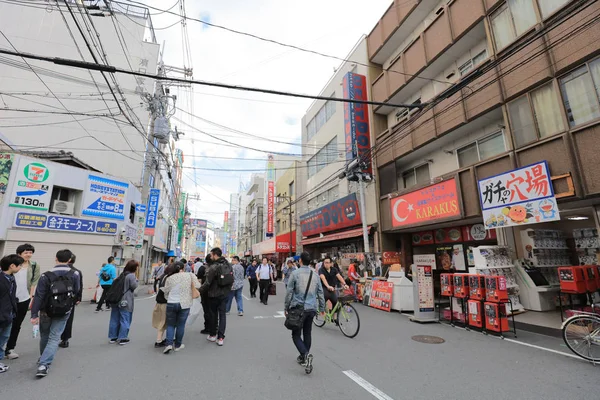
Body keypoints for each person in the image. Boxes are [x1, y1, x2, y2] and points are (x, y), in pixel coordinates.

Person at [30, 249, 80, 378]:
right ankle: (44, 364)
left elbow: (39, 296)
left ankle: (43, 358)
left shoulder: (45, 275)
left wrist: (34, 314)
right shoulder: (75, 274)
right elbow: (76, 290)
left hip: (46, 310)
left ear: (55, 258)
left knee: (45, 335)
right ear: (69, 260)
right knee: (54, 337)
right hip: (64, 310)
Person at [284, 251, 325, 374]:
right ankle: (304, 358)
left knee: (296, 334)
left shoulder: (295, 274)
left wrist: (286, 307)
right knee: (307, 333)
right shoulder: (315, 275)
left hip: (298, 308)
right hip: (311, 308)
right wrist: (322, 308)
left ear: (300, 261)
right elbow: (320, 293)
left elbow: (289, 292)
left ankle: (305, 355)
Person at [4, 243, 40, 360]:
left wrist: (31, 297)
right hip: (8, 300)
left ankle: (9, 349)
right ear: (19, 253)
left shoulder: (34, 266)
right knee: (3, 323)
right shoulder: (12, 264)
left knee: (16, 325)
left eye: (30, 252)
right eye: (26, 252)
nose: (29, 255)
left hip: (24, 299)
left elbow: (34, 281)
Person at [161, 262, 201, 354]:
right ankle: (178, 345)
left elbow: (166, 290)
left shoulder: (170, 278)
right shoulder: (189, 275)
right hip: (185, 303)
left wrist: (168, 297)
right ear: (183, 267)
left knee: (170, 325)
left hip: (171, 302)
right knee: (180, 325)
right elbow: (198, 286)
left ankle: (169, 344)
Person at [200, 247, 232, 346]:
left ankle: (213, 335)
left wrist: (198, 291)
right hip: (224, 294)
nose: (210, 256)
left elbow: (207, 283)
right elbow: (231, 279)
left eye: (211, 254)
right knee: (222, 315)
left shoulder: (213, 267)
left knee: (213, 315)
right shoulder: (228, 265)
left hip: (213, 295)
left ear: (215, 255)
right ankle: (221, 337)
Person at [0, 254, 24, 373]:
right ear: (12, 265)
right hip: (1, 315)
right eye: (19, 265)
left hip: (9, 315)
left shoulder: (11, 278)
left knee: (3, 339)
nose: (21, 268)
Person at [107, 260, 139, 346]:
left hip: (116, 299)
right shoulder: (131, 276)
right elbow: (134, 286)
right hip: (125, 300)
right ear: (134, 268)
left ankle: (113, 337)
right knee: (125, 319)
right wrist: (136, 280)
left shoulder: (122, 274)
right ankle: (122, 338)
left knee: (114, 318)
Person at [59, 253, 83, 348]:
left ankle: (54, 337)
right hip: (70, 298)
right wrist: (78, 298)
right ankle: (65, 339)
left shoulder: (57, 270)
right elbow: (79, 286)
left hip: (57, 297)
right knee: (68, 318)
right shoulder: (77, 272)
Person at [152, 264, 175, 347]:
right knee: (163, 321)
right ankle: (159, 340)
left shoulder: (163, 276)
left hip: (159, 301)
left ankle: (159, 340)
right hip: (165, 302)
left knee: (161, 321)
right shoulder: (169, 278)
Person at [196, 255, 211, 335]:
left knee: (206, 310)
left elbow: (199, 281)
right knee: (214, 310)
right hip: (216, 292)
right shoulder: (217, 267)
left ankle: (207, 327)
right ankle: (214, 327)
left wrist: (199, 291)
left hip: (205, 292)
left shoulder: (202, 268)